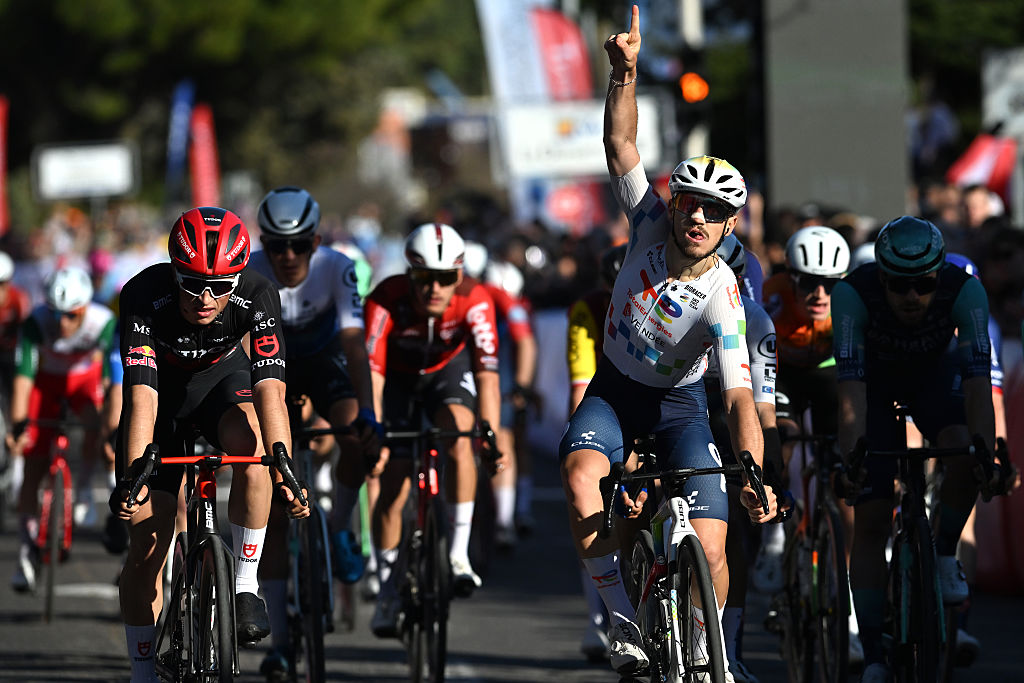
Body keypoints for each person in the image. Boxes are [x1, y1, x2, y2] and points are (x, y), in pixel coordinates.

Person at [563, 7, 777, 677]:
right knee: (580, 479)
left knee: (713, 547)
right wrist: (622, 75)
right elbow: (622, 148)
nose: (699, 217)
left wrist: (754, 469)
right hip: (617, 393)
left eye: (716, 212)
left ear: (729, 224)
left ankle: (709, 655)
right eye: (692, 203)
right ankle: (623, 620)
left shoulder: (726, 295)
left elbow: (740, 396)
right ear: (675, 204)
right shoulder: (650, 221)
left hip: (682, 407)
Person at [109, 207, 308, 683]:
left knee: (255, 449)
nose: (205, 297)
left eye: (221, 287)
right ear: (174, 271)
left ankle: (243, 583)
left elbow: (270, 390)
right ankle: (142, 673)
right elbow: (140, 398)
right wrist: (134, 475)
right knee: (146, 548)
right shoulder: (142, 294)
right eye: (193, 282)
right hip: (160, 400)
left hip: (221, 385)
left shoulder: (259, 294)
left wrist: (284, 462)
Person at [831, 216, 995, 683]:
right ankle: (874, 657)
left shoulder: (965, 291)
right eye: (898, 285)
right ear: (880, 276)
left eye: (923, 285)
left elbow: (978, 383)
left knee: (965, 448)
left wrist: (985, 454)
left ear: (939, 276)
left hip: (933, 380)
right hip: (873, 389)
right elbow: (851, 398)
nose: (911, 297)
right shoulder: (852, 294)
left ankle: (943, 554)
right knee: (873, 513)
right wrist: (853, 462)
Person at [247, 186, 381, 678]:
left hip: (323, 361)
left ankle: (343, 526)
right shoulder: (249, 269)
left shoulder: (337, 268)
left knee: (353, 434)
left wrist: (367, 413)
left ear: (316, 241)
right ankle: (279, 644)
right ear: (263, 242)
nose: (286, 256)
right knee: (275, 510)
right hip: (267, 367)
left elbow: (352, 342)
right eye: (276, 245)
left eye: (299, 245)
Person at [363, 221, 507, 637]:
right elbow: (372, 375)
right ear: (409, 274)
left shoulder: (476, 301)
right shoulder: (385, 299)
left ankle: (459, 555)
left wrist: (490, 433)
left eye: (444, 279)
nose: (434, 289)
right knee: (393, 486)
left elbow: (488, 376)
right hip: (398, 381)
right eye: (424, 278)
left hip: (448, 374)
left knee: (461, 436)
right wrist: (373, 426)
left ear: (458, 276)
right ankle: (389, 590)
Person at [7, 266, 119, 591]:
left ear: (85, 307)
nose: (62, 324)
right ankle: (26, 553)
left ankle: (84, 486)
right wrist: (17, 427)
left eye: (72, 316)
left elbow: (112, 382)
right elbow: (23, 380)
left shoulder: (103, 321)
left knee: (97, 422)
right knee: (33, 466)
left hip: (84, 381)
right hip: (47, 383)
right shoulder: (34, 323)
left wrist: (108, 428)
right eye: (56, 314)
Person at [705, 235, 782, 683]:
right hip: (674, 407)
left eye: (731, 277)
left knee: (732, 530)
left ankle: (728, 650)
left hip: (728, 412)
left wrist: (768, 473)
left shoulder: (756, 320)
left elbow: (763, 409)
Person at [566, 242, 625, 662]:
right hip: (603, 401)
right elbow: (579, 386)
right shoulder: (587, 310)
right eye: (611, 292)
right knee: (594, 506)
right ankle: (598, 619)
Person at [480, 258, 538, 549]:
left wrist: (521, 386)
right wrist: (524, 385)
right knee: (510, 441)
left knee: (509, 440)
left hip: (501, 374)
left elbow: (526, 345)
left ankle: (508, 516)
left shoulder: (509, 302)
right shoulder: (503, 298)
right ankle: (507, 517)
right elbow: (527, 344)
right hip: (498, 372)